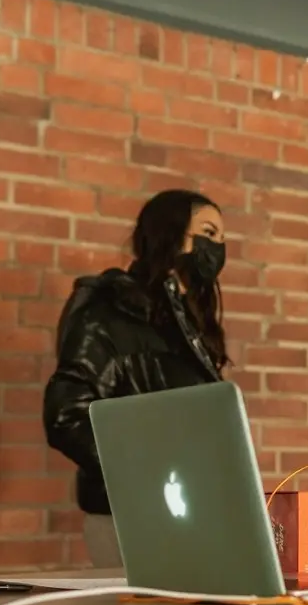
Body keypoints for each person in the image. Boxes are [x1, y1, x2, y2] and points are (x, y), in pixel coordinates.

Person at [43, 189, 230, 568]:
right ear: (170, 233)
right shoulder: (109, 312)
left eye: (223, 239)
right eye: (208, 233)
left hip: (181, 511)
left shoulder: (184, 324)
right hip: (129, 517)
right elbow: (66, 414)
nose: (218, 248)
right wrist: (143, 473)